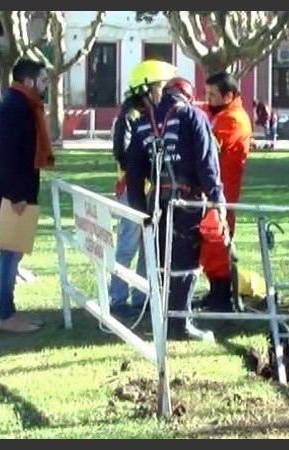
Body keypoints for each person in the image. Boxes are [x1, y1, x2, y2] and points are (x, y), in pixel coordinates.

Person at [125, 76, 226, 341]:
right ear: (186, 96)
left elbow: (133, 172)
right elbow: (207, 163)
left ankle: (162, 319)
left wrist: (139, 211)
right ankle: (179, 324)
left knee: (160, 262)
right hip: (187, 202)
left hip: (155, 201)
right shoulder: (194, 117)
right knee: (185, 263)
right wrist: (218, 200)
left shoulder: (142, 122)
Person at [0, 58, 55, 333]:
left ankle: (7, 311)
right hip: (11, 195)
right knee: (10, 254)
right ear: (28, 81)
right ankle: (6, 314)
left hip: (15, 192)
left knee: (14, 253)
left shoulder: (22, 104)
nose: (46, 84)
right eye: (43, 80)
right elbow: (6, 154)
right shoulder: (16, 106)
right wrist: (16, 196)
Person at [108, 61, 178, 319]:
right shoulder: (130, 116)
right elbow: (123, 155)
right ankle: (117, 297)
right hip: (132, 189)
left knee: (148, 245)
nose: (163, 91)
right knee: (127, 245)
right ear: (147, 88)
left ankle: (140, 295)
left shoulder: (154, 114)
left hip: (152, 188)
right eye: (160, 87)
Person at [197, 71, 253, 312]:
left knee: (218, 243)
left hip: (223, 192)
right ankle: (216, 293)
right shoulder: (221, 115)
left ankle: (223, 296)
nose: (207, 99)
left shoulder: (233, 120)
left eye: (212, 94)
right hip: (214, 191)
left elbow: (211, 149)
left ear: (228, 95)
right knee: (210, 246)